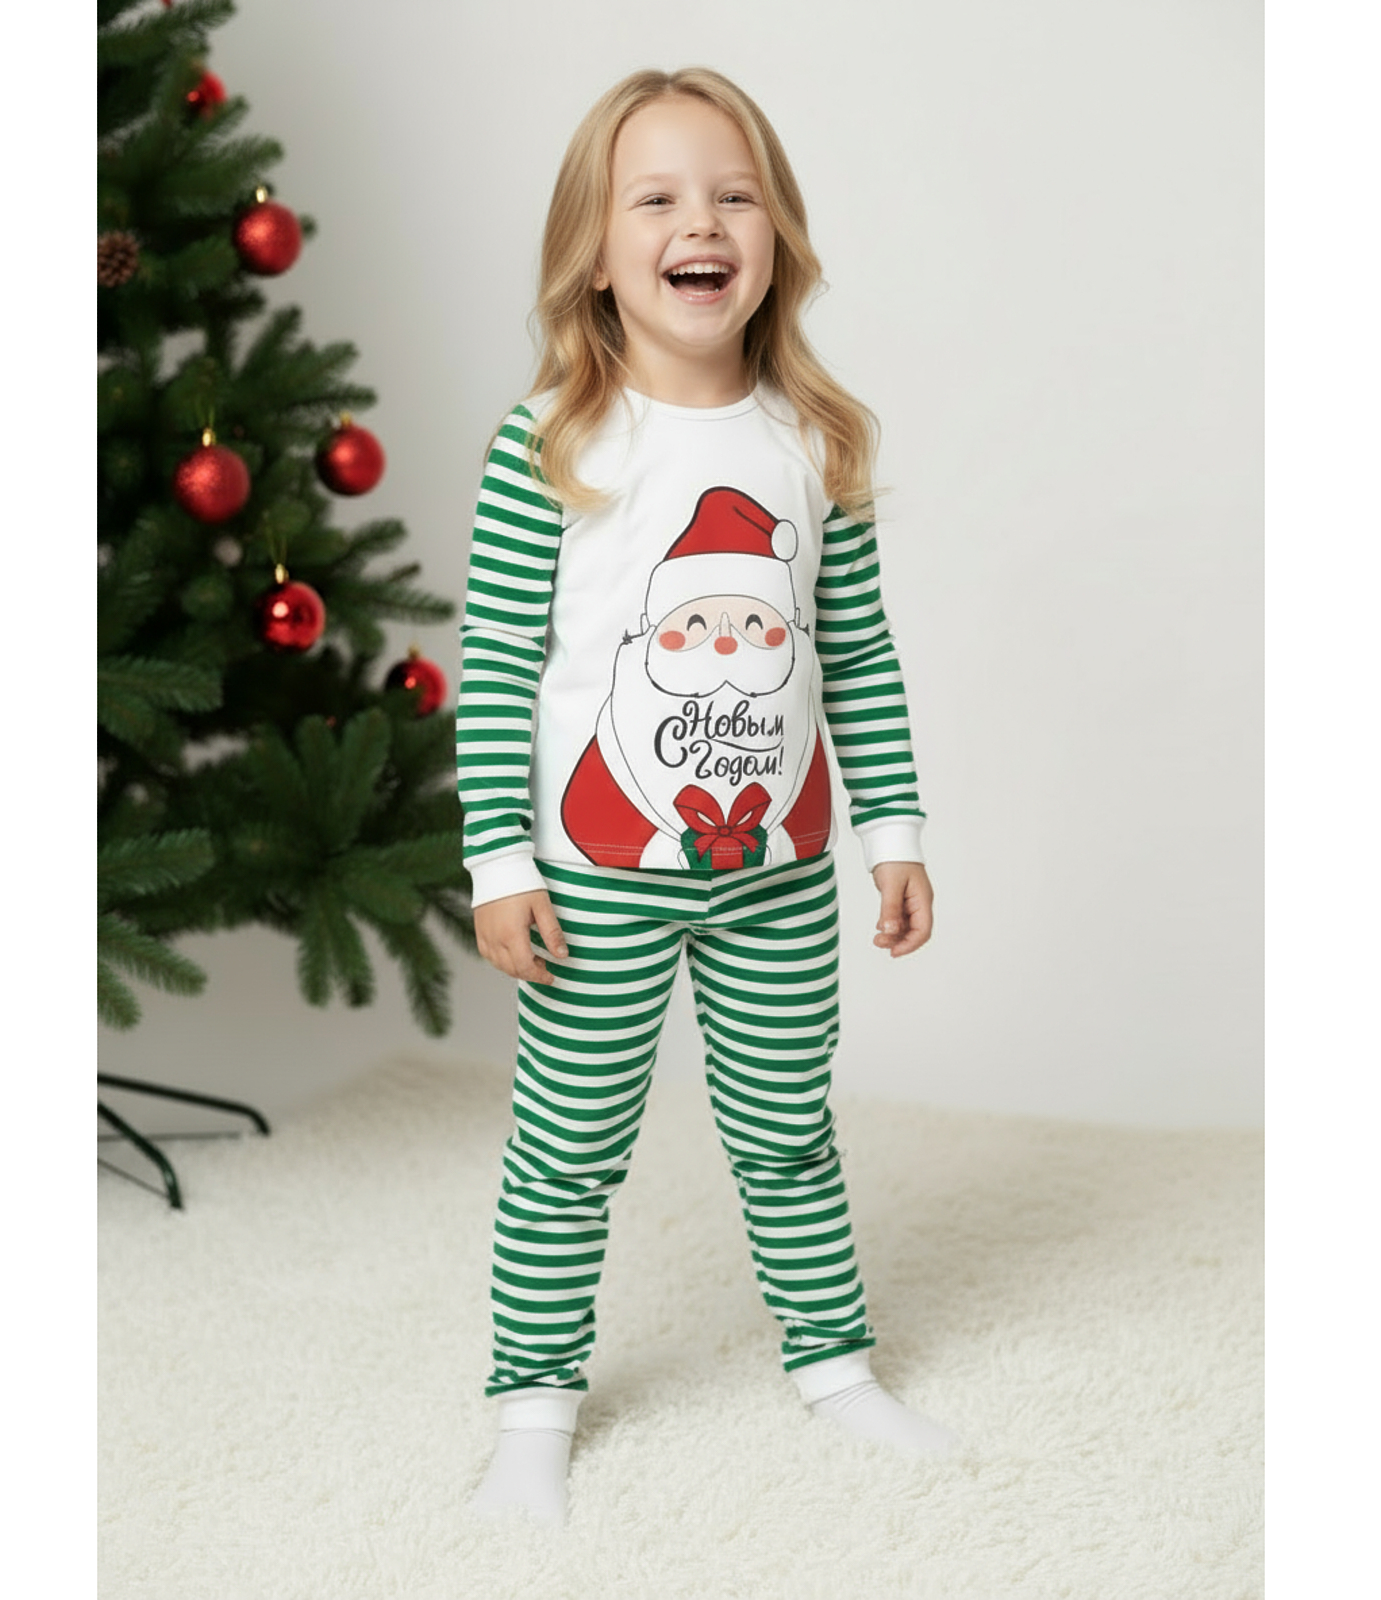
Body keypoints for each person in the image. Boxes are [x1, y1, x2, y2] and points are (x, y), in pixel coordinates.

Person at [456, 67, 959, 1525]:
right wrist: (499, 862)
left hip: (780, 877)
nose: (702, 223)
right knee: (570, 1147)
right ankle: (533, 1412)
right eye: (658, 199)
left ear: (776, 236)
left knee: (788, 1130)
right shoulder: (550, 446)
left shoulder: (814, 439)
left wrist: (894, 836)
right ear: (595, 251)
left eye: (735, 195)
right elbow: (496, 667)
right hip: (594, 879)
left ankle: (836, 1368)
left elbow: (858, 655)